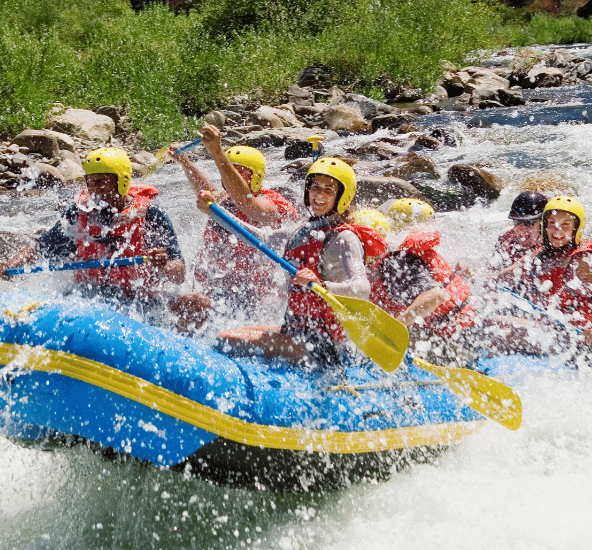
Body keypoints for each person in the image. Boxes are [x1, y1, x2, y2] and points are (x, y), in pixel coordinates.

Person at [199, 157, 385, 369]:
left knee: (227, 340)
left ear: (342, 197)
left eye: (328, 190)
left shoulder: (343, 238)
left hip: (326, 343)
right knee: (230, 334)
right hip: (297, 330)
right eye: (315, 188)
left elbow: (362, 288)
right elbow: (258, 237)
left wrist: (321, 285)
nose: (319, 195)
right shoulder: (302, 231)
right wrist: (215, 212)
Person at [0, 147, 195, 321]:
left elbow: (178, 275)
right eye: (91, 182)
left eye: (102, 181)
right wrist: (9, 266)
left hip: (141, 299)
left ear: (121, 181)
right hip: (89, 294)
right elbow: (40, 247)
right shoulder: (79, 213)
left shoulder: (151, 215)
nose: (96, 189)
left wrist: (162, 265)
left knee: (197, 303)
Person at [170, 124, 299, 310]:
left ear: (256, 177)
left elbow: (247, 204)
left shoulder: (274, 205)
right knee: (185, 303)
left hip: (254, 291)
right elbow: (206, 189)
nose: (227, 175)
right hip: (217, 283)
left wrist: (217, 152)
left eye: (236, 171)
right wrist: (185, 163)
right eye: (227, 170)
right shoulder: (223, 197)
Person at [493, 196, 592, 353]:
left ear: (575, 229)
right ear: (545, 227)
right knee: (492, 322)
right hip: (554, 330)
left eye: (565, 225)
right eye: (552, 224)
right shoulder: (541, 254)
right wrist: (472, 275)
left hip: (583, 338)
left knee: (500, 333)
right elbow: (503, 276)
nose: (557, 231)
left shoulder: (585, 262)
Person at [368, 198, 478, 363]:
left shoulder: (399, 261)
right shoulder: (424, 249)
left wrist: (393, 329)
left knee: (371, 341)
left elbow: (436, 296)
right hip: (469, 326)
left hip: (455, 342)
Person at [491, 191, 547, 270]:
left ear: (543, 223)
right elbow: (490, 270)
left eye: (528, 223)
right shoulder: (506, 237)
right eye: (517, 221)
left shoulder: (549, 246)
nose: (521, 228)